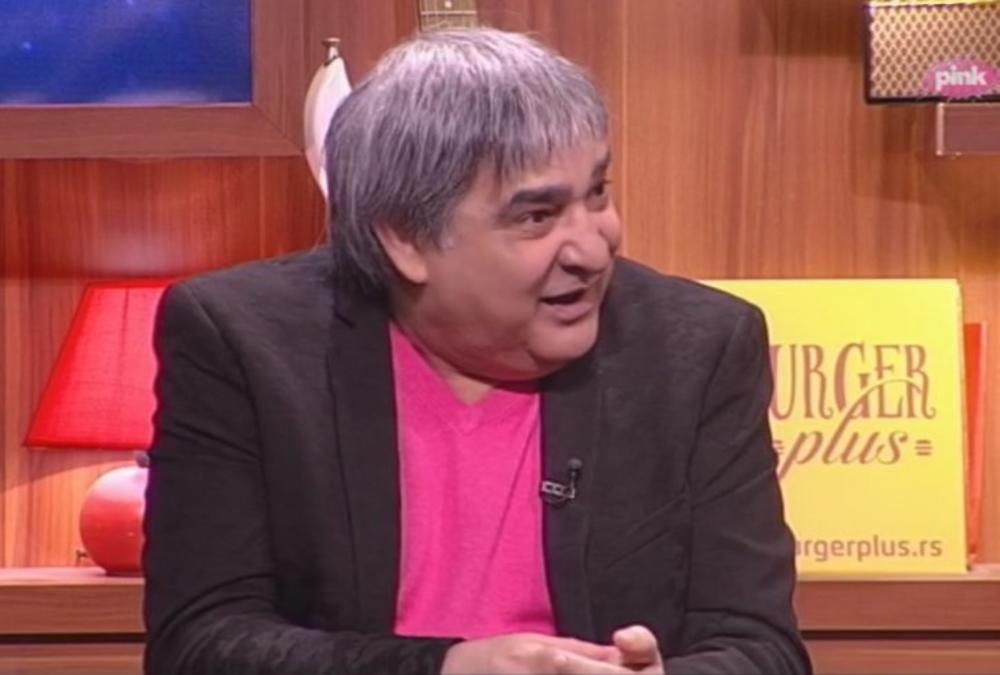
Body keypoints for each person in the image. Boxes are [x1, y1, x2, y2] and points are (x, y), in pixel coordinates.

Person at [144, 27, 811, 675]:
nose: (593, 247)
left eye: (597, 193)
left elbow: (761, 647)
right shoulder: (243, 341)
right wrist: (445, 667)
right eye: (537, 216)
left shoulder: (696, 348)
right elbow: (200, 644)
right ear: (405, 238)